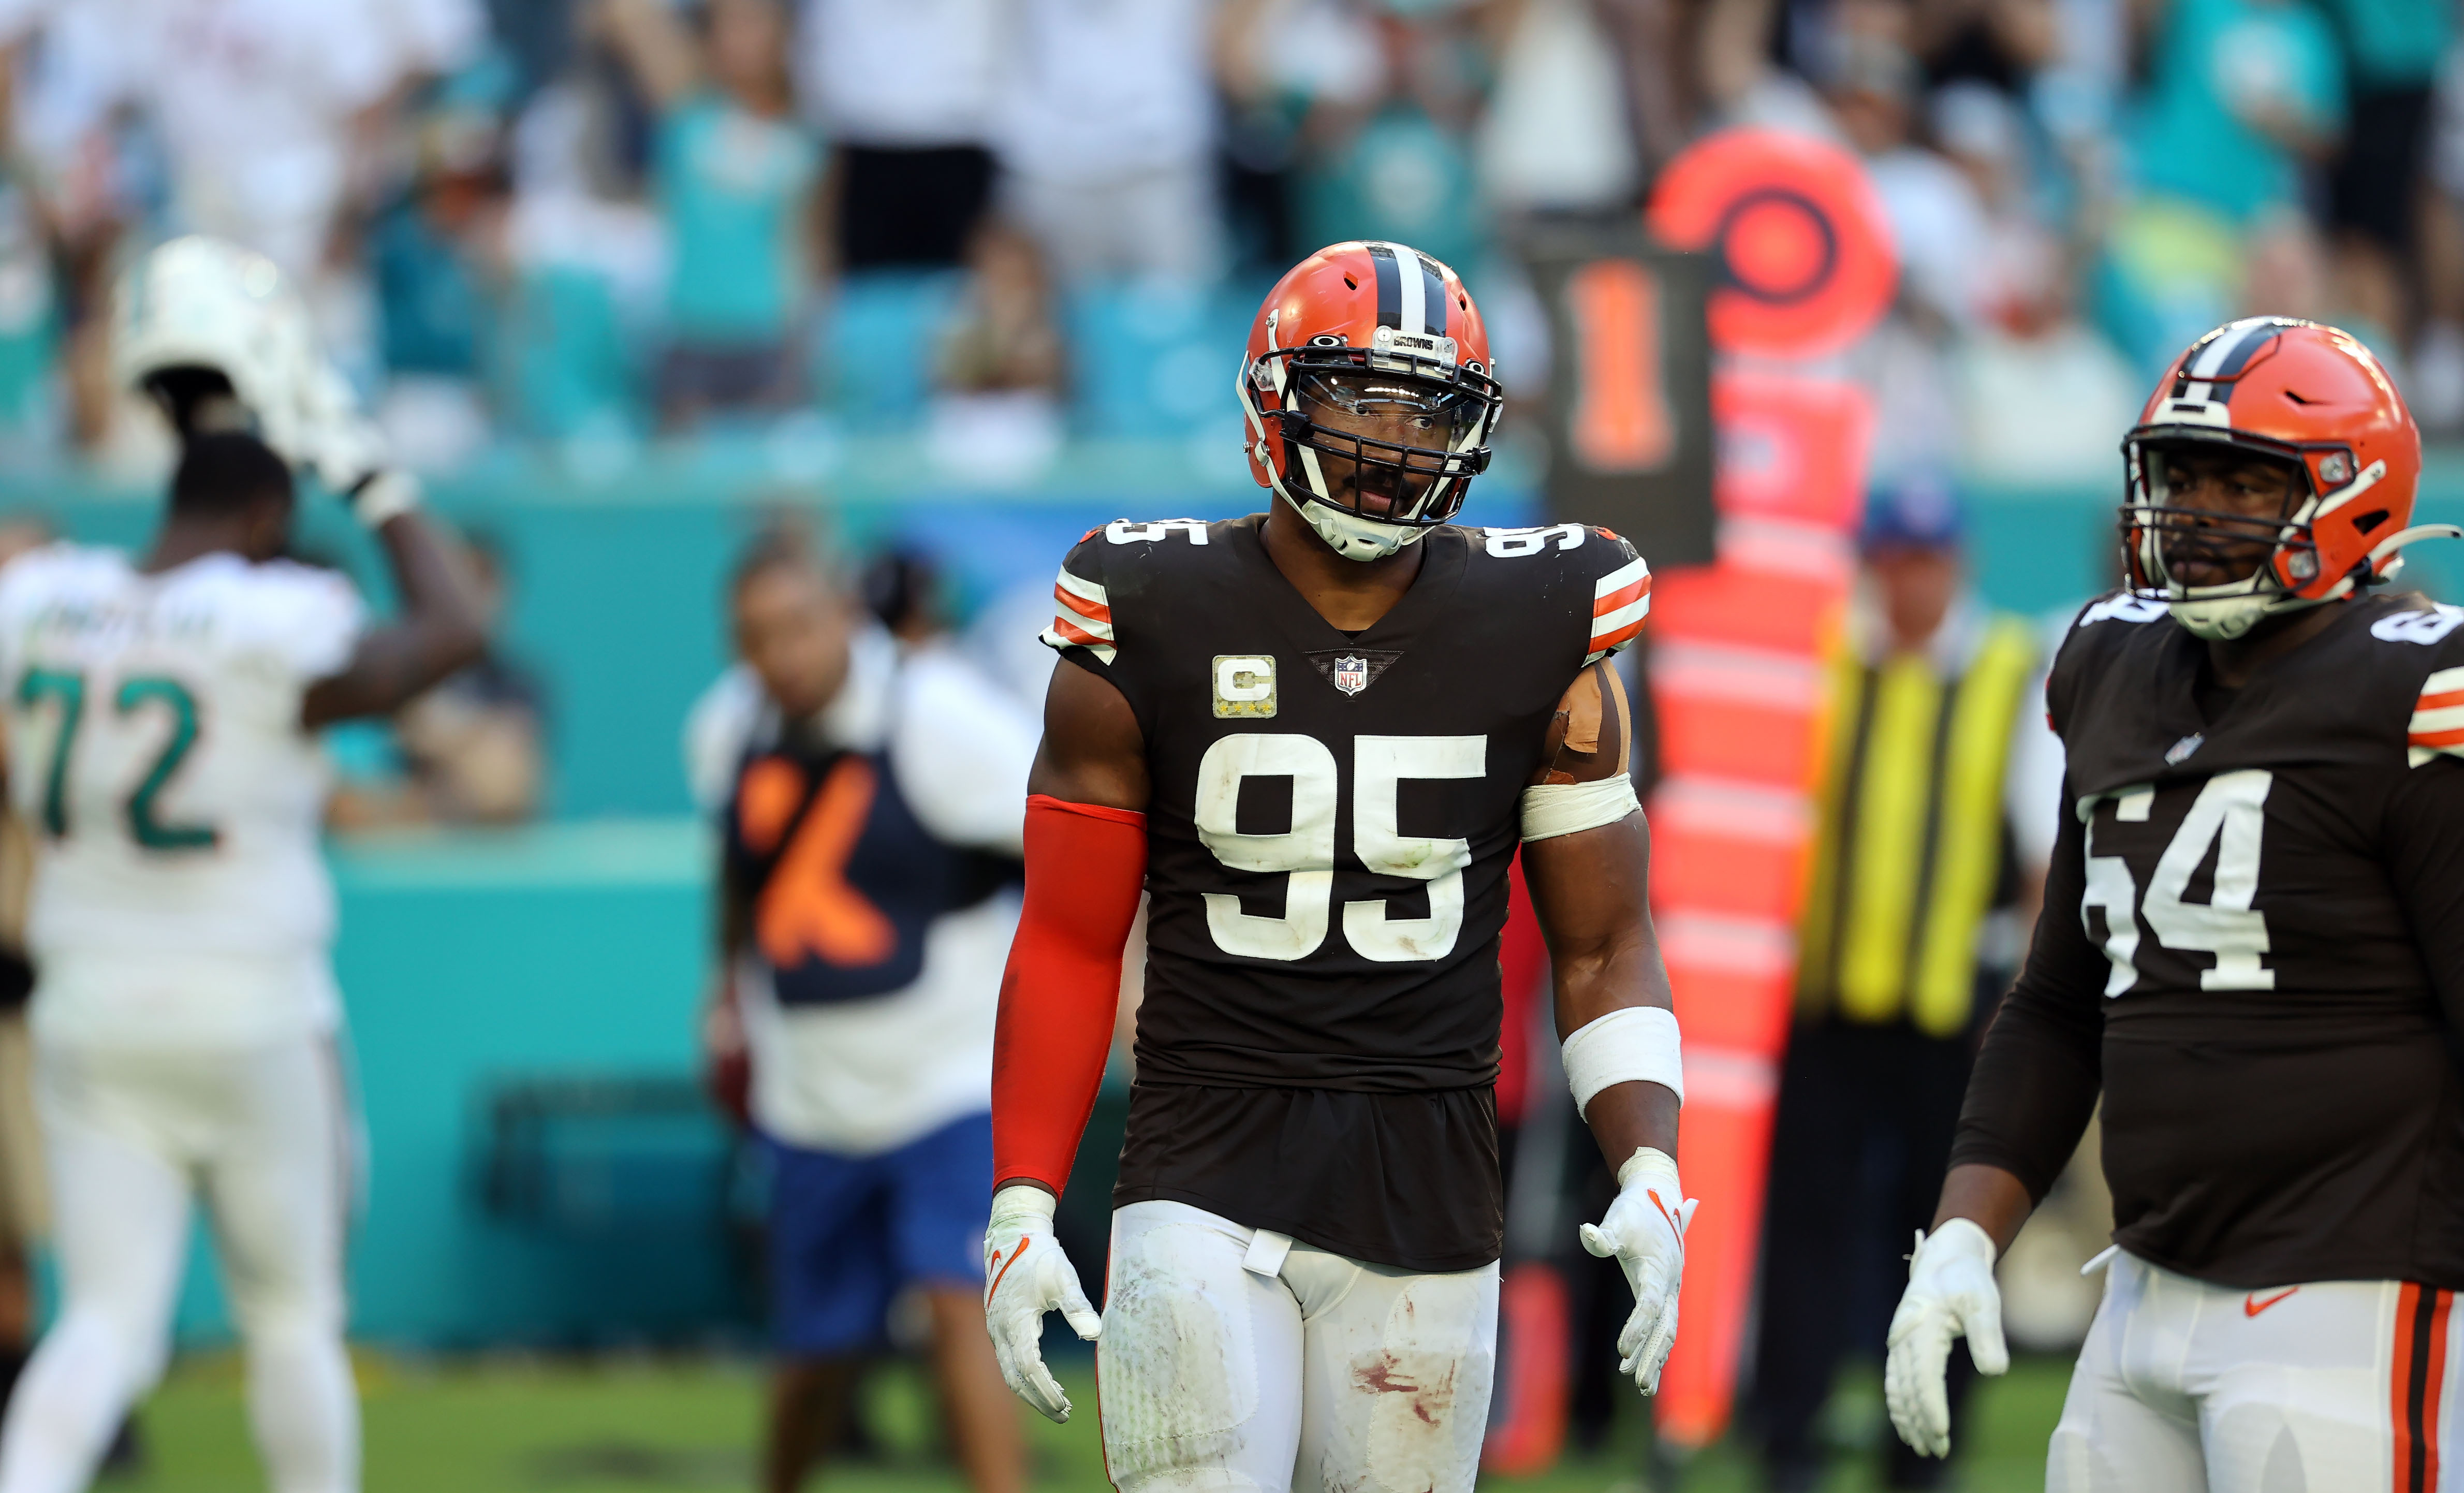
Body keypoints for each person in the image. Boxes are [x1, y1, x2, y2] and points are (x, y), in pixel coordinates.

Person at [981, 240, 1693, 1489]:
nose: (1396, 439)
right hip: (1204, 1152)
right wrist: (1024, 1195)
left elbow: (1601, 940)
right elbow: (1068, 936)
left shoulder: (1544, 623)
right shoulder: (1145, 604)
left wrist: (1647, 1162)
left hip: (1430, 1174)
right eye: (1361, 396)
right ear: (1276, 399)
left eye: (1430, 408)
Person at [1884, 315, 2464, 1484]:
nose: (2195, 513)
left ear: (2351, 494)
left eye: (2243, 484)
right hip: (2142, 1283)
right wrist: (1959, 1233)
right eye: (2179, 476)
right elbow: (2059, 1001)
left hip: (2350, 1286)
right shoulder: (2110, 661)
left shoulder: (2414, 688)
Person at [0, 238, 486, 1493]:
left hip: (88, 998)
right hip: (251, 1000)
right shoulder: (278, 616)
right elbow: (452, 629)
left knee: (105, 1318)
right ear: (269, 515)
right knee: (291, 1314)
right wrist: (374, 478)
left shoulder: (39, 599)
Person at [684, 530, 1037, 1493]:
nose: (782, 656)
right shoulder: (727, 730)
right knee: (816, 1344)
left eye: (799, 627)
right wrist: (722, 990)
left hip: (951, 1070)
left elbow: (1063, 845)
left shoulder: (943, 717)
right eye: (757, 636)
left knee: (959, 1296)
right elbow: (738, 875)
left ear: (844, 612)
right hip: (810, 1084)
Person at [1749, 476, 2047, 1491]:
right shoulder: (1830, 657)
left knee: (1944, 1229)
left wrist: (2021, 1010)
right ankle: (1786, 1434)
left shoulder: (2009, 668)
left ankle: (1922, 1447)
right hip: (1825, 1000)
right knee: (1803, 1229)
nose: (1909, 579)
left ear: (1956, 560)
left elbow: (2043, 854)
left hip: (1951, 1009)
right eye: (1894, 558)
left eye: (1926, 558)